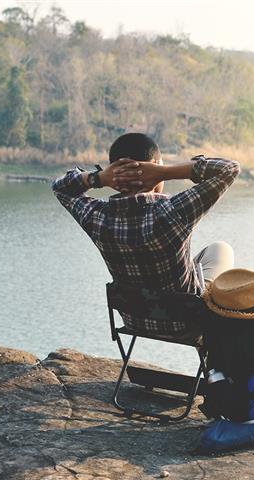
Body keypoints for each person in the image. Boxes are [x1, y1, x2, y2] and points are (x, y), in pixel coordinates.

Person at [51, 132, 240, 336]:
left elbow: (60, 187)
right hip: (187, 321)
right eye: (158, 166)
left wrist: (99, 178)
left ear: (113, 171)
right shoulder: (173, 211)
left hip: (135, 320)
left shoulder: (97, 217)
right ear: (154, 165)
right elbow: (229, 169)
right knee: (221, 249)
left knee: (199, 259)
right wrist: (166, 172)